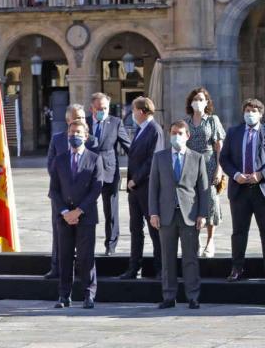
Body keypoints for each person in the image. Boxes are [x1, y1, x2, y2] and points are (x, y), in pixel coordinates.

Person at [150, 121, 209, 310]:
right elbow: (153, 188)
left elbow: (203, 189)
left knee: (190, 257)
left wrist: (203, 214)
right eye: (174, 132)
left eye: (180, 133)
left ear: (188, 136)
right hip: (166, 215)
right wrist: (153, 213)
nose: (177, 136)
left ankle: (193, 296)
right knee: (167, 257)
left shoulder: (197, 158)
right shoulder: (159, 158)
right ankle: (169, 295)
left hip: (189, 214)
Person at [220, 98, 265, 282]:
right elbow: (224, 159)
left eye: (254, 110)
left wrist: (262, 174)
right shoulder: (233, 132)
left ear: (261, 113)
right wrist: (235, 174)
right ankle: (237, 268)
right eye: (247, 110)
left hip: (262, 189)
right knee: (239, 231)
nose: (250, 113)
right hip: (239, 189)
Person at [49, 121, 103, 309]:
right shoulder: (59, 159)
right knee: (65, 256)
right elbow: (54, 190)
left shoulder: (94, 159)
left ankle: (89, 294)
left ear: (86, 136)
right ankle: (64, 295)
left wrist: (79, 211)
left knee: (85, 257)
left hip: (85, 216)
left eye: (78, 132)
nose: (75, 135)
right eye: (72, 132)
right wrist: (65, 212)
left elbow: (96, 189)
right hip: (64, 218)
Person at [119, 97, 165, 280]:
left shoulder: (155, 130)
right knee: (135, 229)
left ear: (142, 111)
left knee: (155, 230)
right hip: (135, 190)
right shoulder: (140, 130)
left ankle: (160, 269)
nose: (131, 113)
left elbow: (153, 159)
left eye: (133, 110)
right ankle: (133, 267)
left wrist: (135, 180)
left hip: (147, 188)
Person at [44, 104, 87, 279]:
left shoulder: (88, 138)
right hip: (61, 195)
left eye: (83, 118)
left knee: (83, 234)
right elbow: (51, 165)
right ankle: (57, 267)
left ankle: (80, 267)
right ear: (68, 120)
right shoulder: (57, 139)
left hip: (82, 196)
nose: (81, 121)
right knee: (59, 231)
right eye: (77, 118)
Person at [86, 92, 130, 256]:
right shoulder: (85, 123)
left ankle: (110, 246)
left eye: (105, 108)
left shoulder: (116, 123)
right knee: (86, 208)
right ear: (92, 108)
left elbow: (128, 146)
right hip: (88, 172)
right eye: (99, 108)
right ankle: (85, 244)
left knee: (111, 210)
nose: (102, 111)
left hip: (109, 171)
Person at [185, 87, 226, 257]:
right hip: (191, 163)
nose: (198, 102)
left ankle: (210, 240)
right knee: (191, 200)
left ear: (207, 102)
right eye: (195, 99)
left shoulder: (212, 120)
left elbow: (219, 146)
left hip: (209, 162)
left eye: (201, 99)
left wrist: (219, 168)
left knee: (210, 200)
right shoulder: (186, 122)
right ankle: (196, 239)